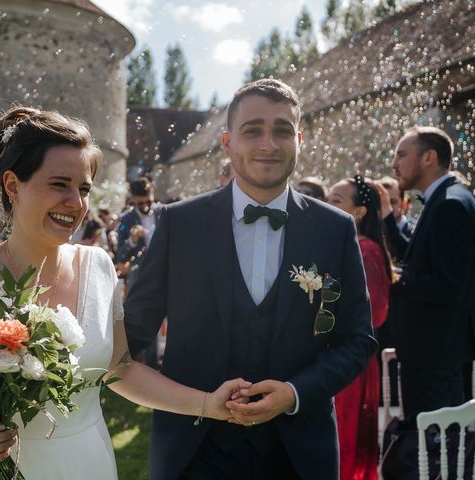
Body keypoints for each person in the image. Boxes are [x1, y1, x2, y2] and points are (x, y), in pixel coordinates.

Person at [0, 106, 250, 480]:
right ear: (13, 186)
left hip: (85, 462)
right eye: (59, 184)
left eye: (84, 189)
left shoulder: (99, 267)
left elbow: (120, 369)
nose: (75, 204)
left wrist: (209, 404)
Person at [124, 79, 377, 479]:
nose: (268, 144)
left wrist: (294, 394)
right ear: (227, 141)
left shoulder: (335, 228)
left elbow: (357, 339)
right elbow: (130, 335)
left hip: (297, 453)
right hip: (194, 452)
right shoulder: (179, 223)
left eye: (281, 130)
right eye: (253, 129)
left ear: (299, 139)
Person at [389, 126, 475, 421]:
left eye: (402, 154)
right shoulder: (445, 199)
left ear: (429, 157)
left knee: (440, 453)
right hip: (435, 356)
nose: (394, 164)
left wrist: (395, 279)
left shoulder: (450, 204)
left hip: (435, 357)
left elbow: (449, 286)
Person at [328, 175, 393, 480]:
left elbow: (375, 313)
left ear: (360, 212)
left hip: (349, 360)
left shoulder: (365, 250)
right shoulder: (346, 245)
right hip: (338, 357)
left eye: (336, 201)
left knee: (345, 442)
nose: (327, 206)